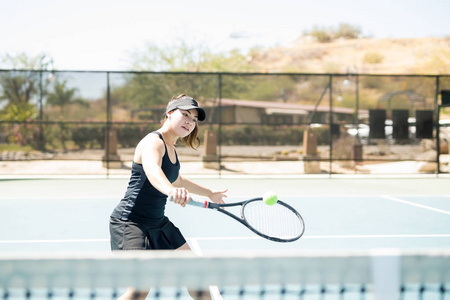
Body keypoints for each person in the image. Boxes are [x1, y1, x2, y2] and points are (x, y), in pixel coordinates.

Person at [110, 94, 227, 300]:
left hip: (157, 223)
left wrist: (209, 193)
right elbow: (153, 170)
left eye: (194, 119)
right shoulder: (152, 142)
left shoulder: (171, 148)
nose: (190, 122)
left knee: (196, 279)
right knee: (139, 291)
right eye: (185, 115)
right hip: (131, 223)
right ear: (169, 113)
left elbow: (178, 180)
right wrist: (170, 191)